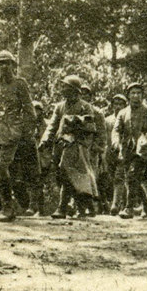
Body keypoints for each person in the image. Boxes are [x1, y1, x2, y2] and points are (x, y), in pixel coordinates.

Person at [0, 50, 36, 222]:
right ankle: (4, 203)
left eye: (7, 63)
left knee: (2, 166)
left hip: (11, 132)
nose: (4, 66)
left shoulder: (20, 84)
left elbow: (29, 110)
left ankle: (8, 208)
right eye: (0, 63)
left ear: (13, 65)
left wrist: (25, 131)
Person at [43, 75, 99, 218]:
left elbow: (92, 127)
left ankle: (62, 208)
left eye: (65, 87)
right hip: (61, 144)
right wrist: (45, 139)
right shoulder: (60, 106)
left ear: (74, 90)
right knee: (66, 175)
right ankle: (86, 206)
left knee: (67, 170)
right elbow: (53, 125)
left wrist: (77, 124)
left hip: (78, 146)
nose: (62, 90)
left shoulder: (85, 107)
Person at [112, 81, 147, 219]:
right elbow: (116, 130)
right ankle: (146, 203)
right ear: (128, 95)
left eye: (139, 93)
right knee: (131, 178)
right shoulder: (122, 113)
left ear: (143, 95)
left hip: (143, 151)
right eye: (133, 93)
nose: (136, 96)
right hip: (127, 150)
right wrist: (115, 142)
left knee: (133, 175)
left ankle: (129, 208)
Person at [101, 93, 127, 215]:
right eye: (115, 103)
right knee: (110, 177)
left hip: (124, 151)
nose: (118, 106)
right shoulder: (107, 120)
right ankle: (115, 202)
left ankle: (118, 205)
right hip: (110, 152)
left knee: (120, 177)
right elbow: (104, 137)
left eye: (120, 104)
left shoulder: (127, 118)